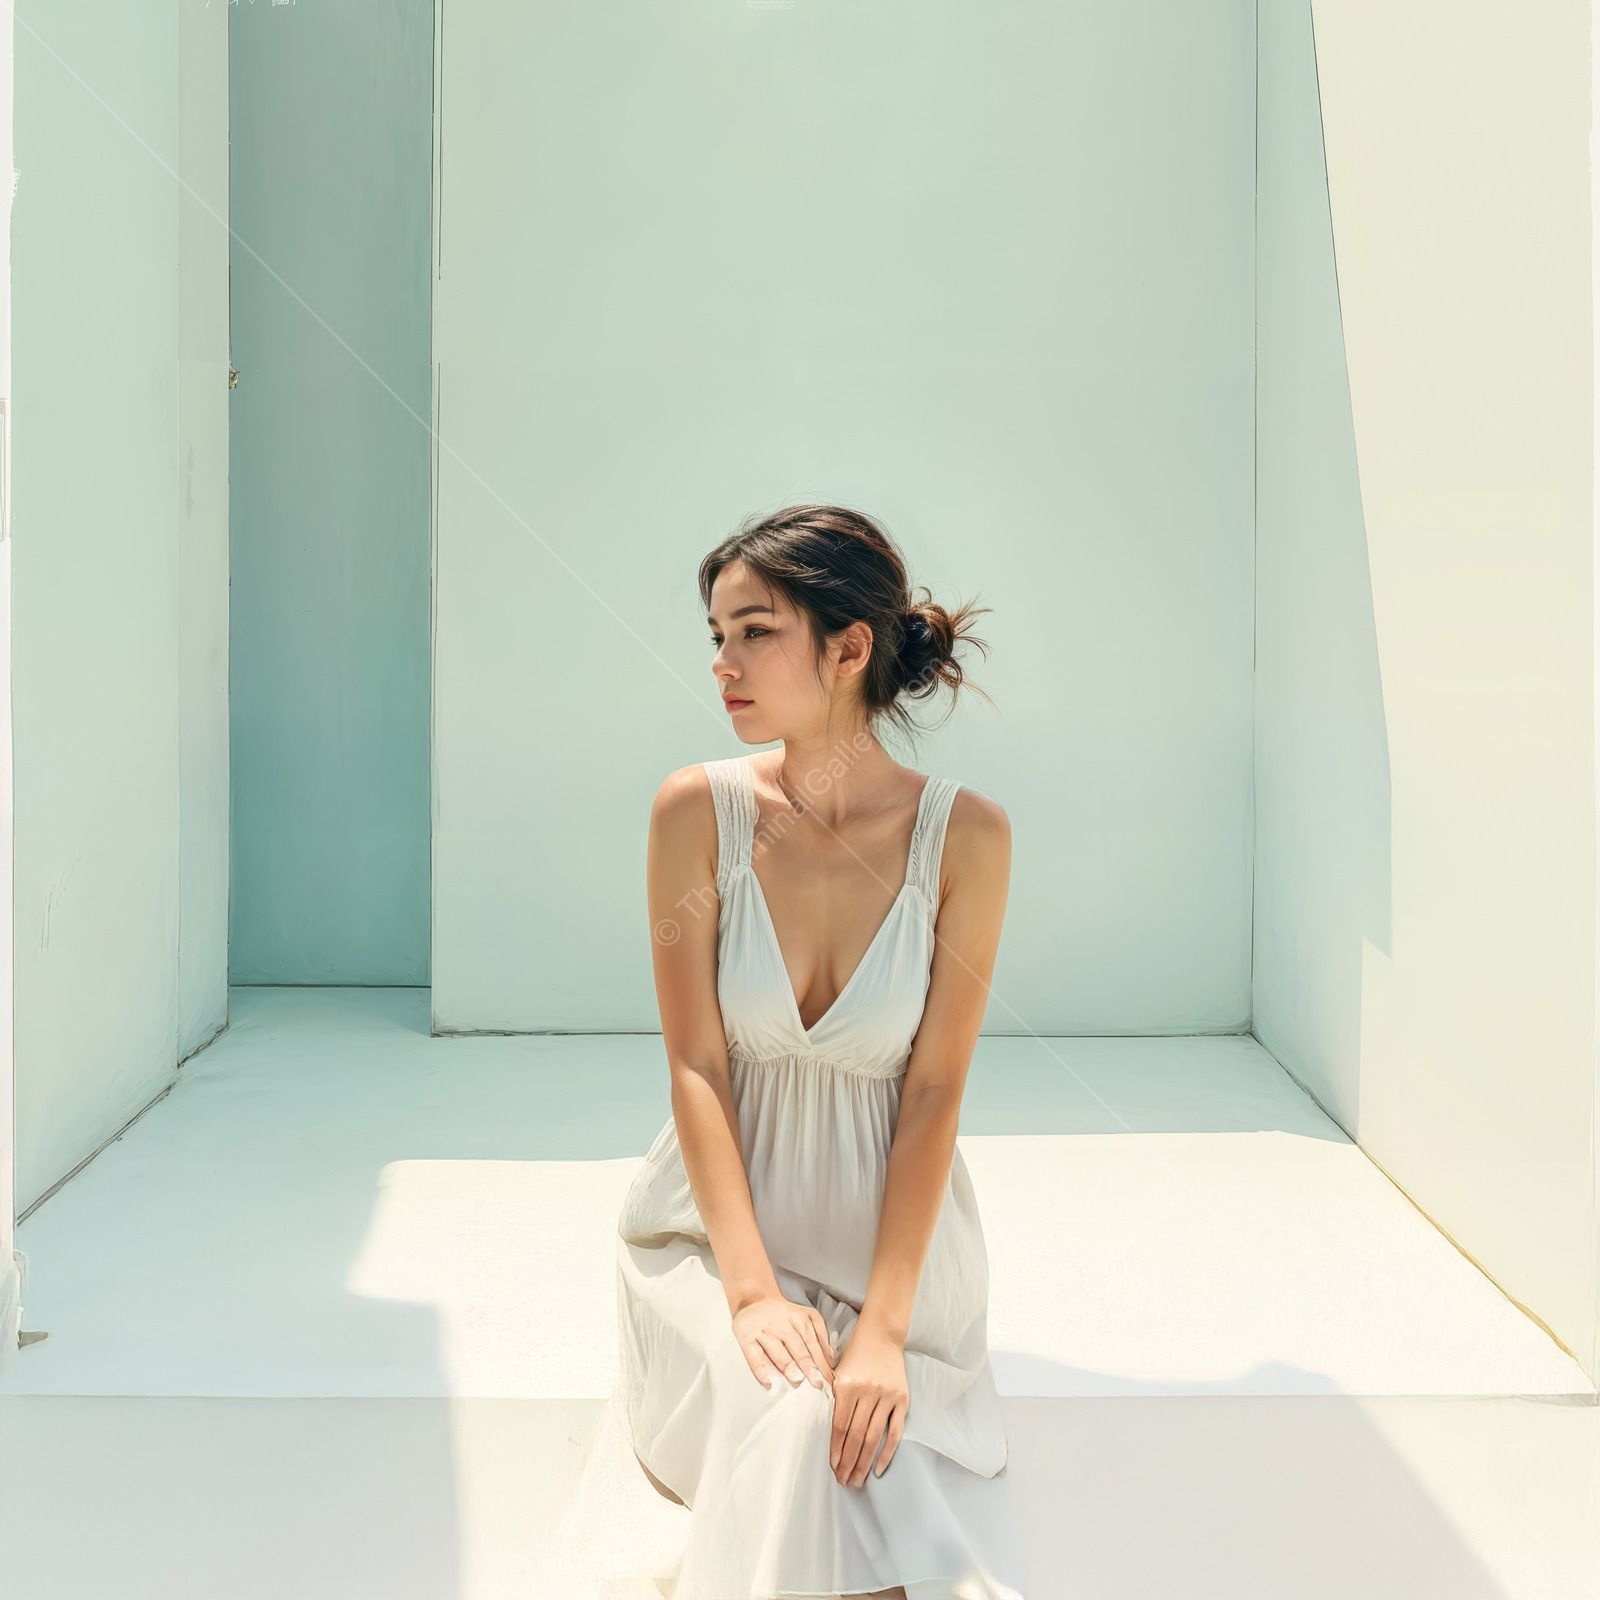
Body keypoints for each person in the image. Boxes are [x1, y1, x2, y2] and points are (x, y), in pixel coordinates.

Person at [550, 505, 1027, 1600]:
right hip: (714, 1243)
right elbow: (696, 1069)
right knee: (789, 1412)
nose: (722, 663)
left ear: (849, 646)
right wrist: (755, 1297)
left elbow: (936, 1086)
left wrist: (887, 1331)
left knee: (867, 1442)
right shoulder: (695, 812)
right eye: (714, 635)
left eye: (753, 631)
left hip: (888, 1255)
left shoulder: (969, 838)